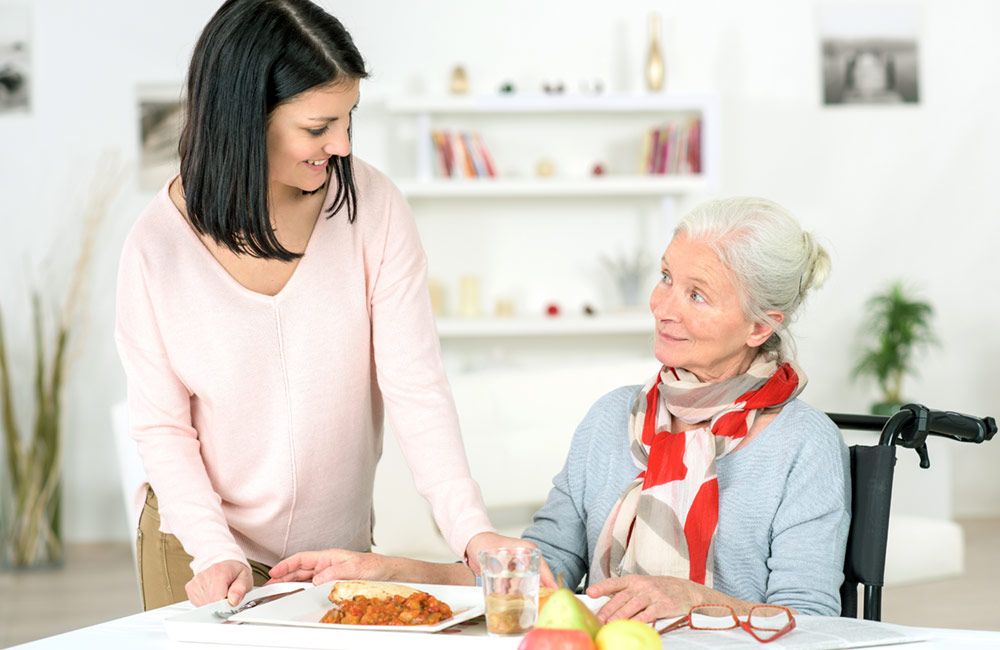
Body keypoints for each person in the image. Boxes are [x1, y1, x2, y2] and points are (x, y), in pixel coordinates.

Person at [114, 0, 528, 611]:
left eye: (348, 119)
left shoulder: (374, 211)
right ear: (245, 119)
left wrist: (471, 533)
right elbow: (162, 426)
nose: (340, 144)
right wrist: (212, 549)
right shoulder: (156, 247)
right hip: (199, 548)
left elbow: (415, 386)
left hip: (335, 555)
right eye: (316, 127)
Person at [270, 197, 850, 622]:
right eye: (666, 278)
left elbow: (814, 624)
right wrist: (392, 573)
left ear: (760, 325)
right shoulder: (611, 419)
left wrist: (693, 597)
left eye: (696, 294)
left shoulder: (804, 444)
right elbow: (539, 574)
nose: (663, 307)